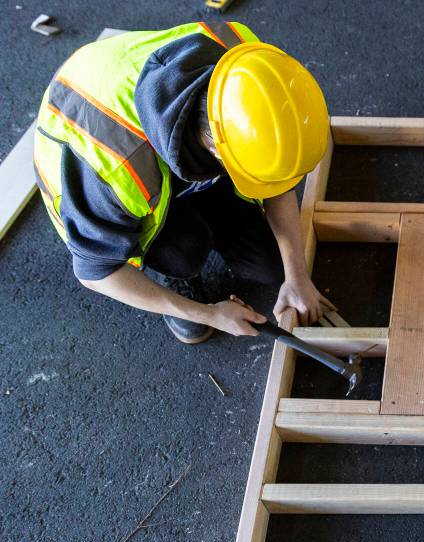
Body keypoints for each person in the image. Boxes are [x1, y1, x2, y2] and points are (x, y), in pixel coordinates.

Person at [33, 21, 335, 344]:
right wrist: (208, 314)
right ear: (217, 147)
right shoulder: (114, 168)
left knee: (272, 266)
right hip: (90, 149)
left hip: (182, 149)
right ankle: (174, 271)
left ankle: (203, 203)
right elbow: (96, 273)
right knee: (185, 251)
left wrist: (297, 276)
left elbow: (277, 170)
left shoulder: (248, 65)